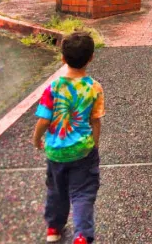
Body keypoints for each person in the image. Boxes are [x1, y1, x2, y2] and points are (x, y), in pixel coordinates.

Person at [32, 31, 105, 244]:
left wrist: (37, 139)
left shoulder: (53, 87)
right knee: (83, 193)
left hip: (56, 150)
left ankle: (54, 228)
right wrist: (94, 145)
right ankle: (82, 235)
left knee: (57, 189)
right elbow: (96, 120)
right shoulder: (94, 87)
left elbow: (44, 120)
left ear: (62, 58)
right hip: (83, 150)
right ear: (91, 57)